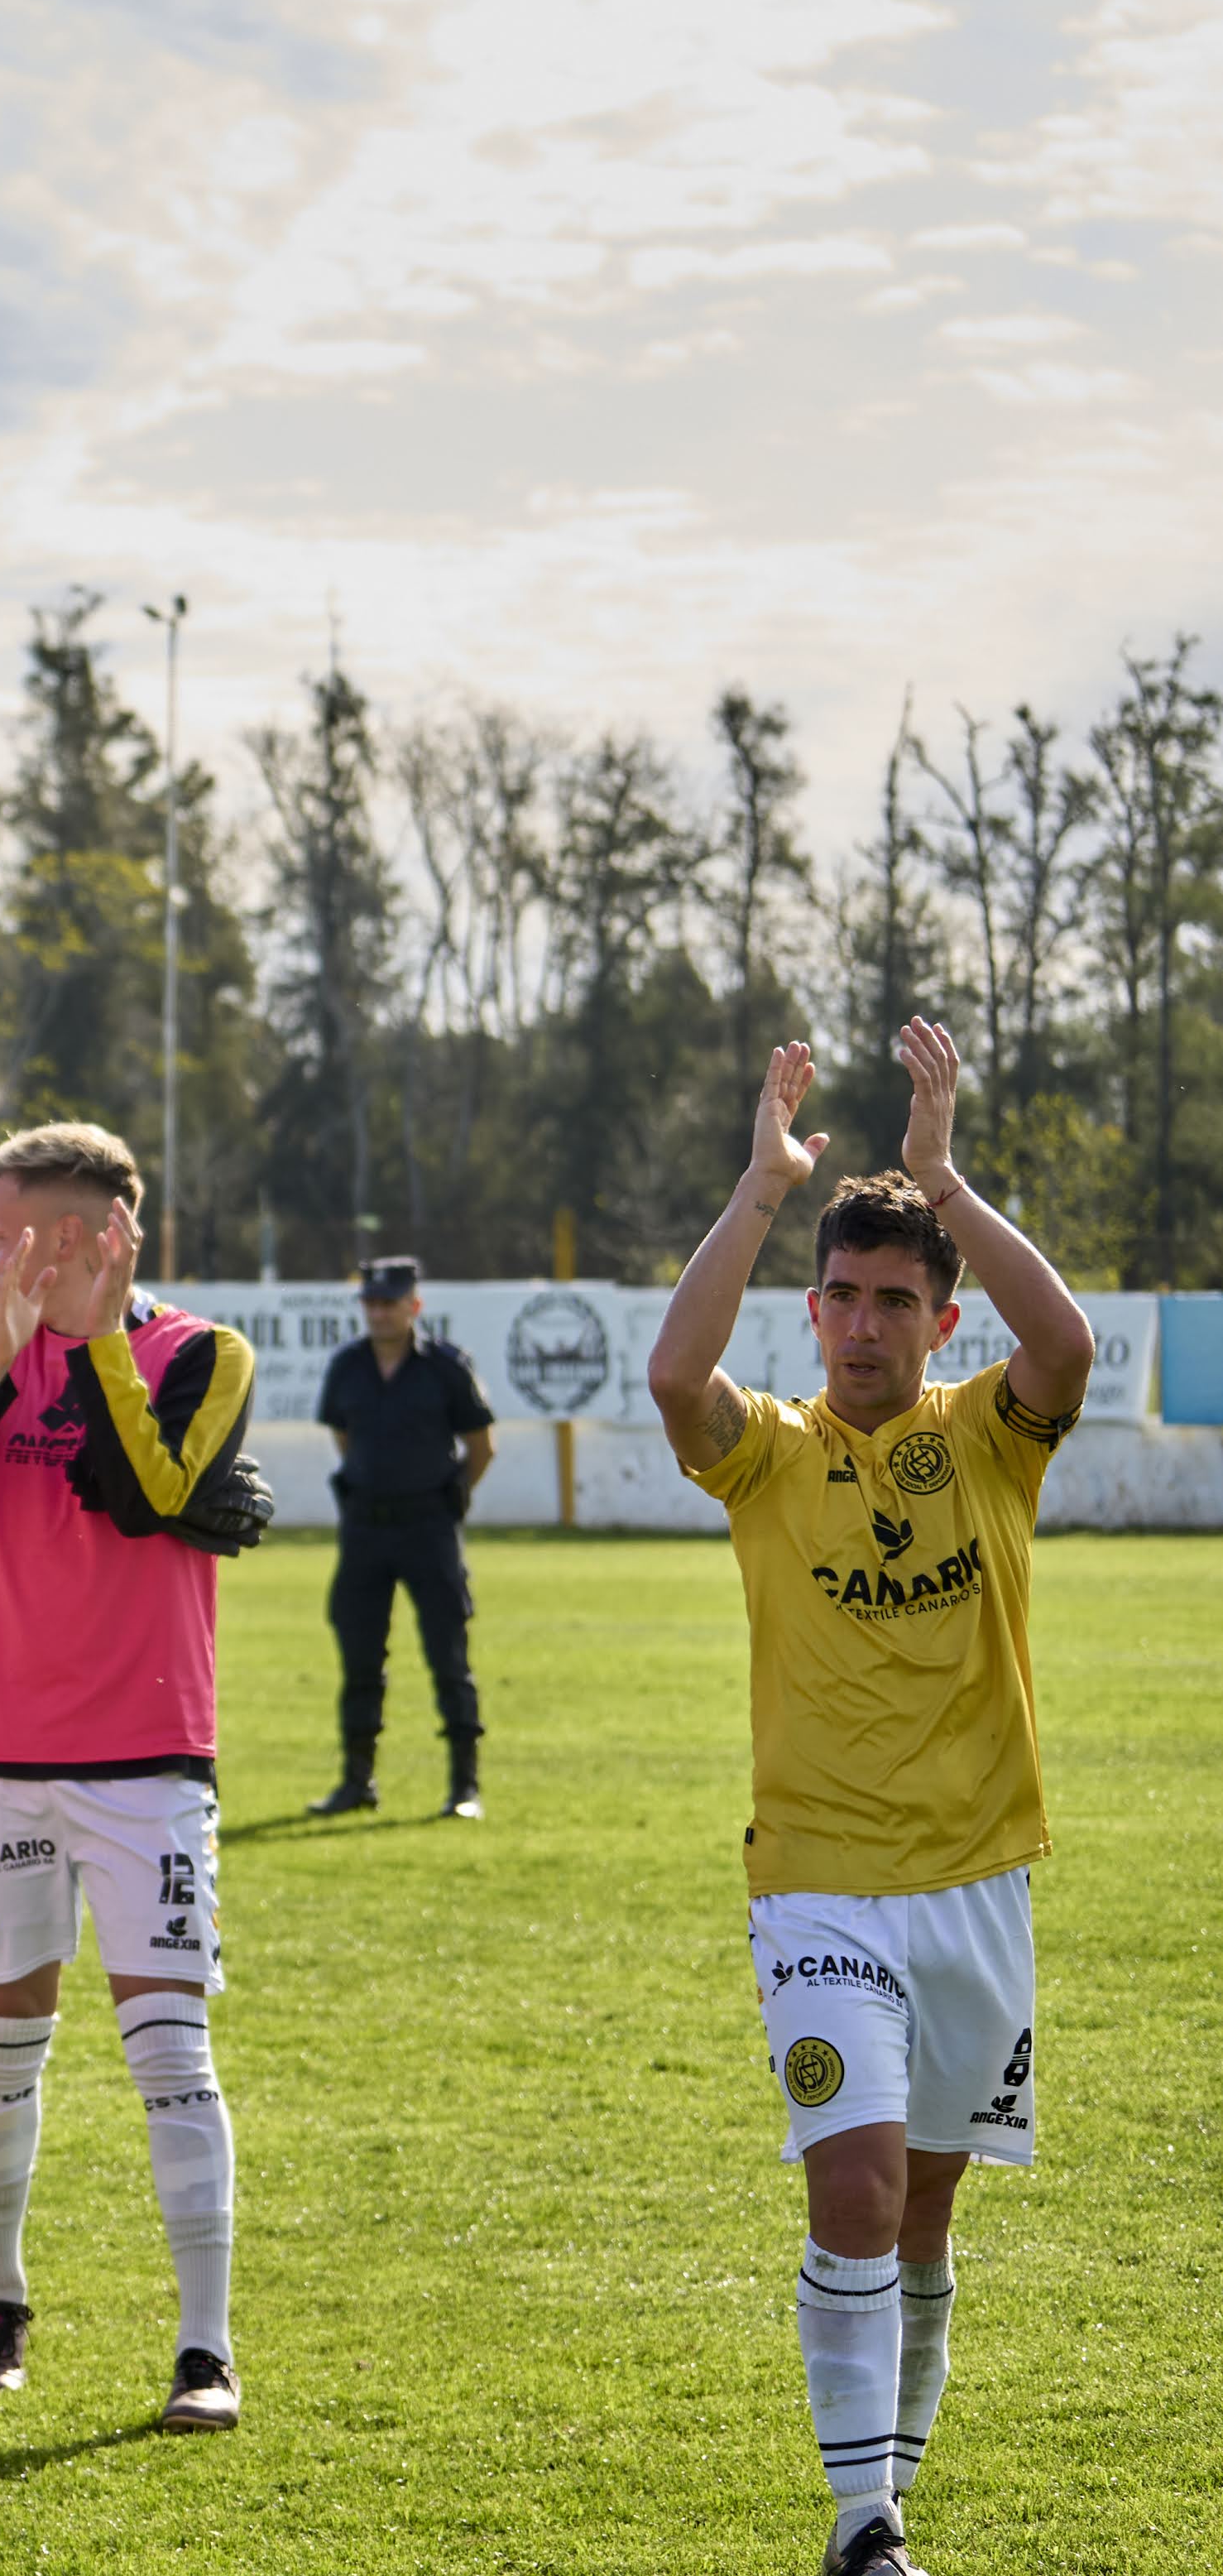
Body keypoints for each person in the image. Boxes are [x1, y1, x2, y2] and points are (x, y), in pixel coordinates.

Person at [646, 1025, 1088, 2576]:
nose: (857, 1324)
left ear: (933, 1316)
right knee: (853, 2183)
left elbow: (1067, 1350)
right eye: (837, 1296)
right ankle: (862, 2525)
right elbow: (671, 1373)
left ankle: (884, 2496)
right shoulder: (764, 1455)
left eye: (891, 1299)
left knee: (923, 2218)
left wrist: (950, 1179)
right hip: (816, 1882)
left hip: (976, 1882)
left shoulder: (982, 1442)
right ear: (811, 1306)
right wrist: (764, 1189)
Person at [0, 1121, 257, 2434]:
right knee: (0, 2043)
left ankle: (202, 2347)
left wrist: (89, 1340)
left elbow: (149, 1492)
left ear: (87, 1237)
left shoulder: (200, 1352)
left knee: (169, 2049)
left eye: (2, 1231)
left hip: (147, 1761)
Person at [309, 1257, 498, 1819]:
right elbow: (345, 1438)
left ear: (414, 1306)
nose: (378, 1311)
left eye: (389, 1302)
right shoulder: (347, 1366)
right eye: (370, 1301)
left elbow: (481, 1446)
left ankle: (465, 1787)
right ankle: (356, 1782)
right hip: (365, 1528)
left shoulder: (445, 1367)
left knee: (448, 1655)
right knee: (359, 1657)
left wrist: (447, 1499)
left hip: (427, 1528)